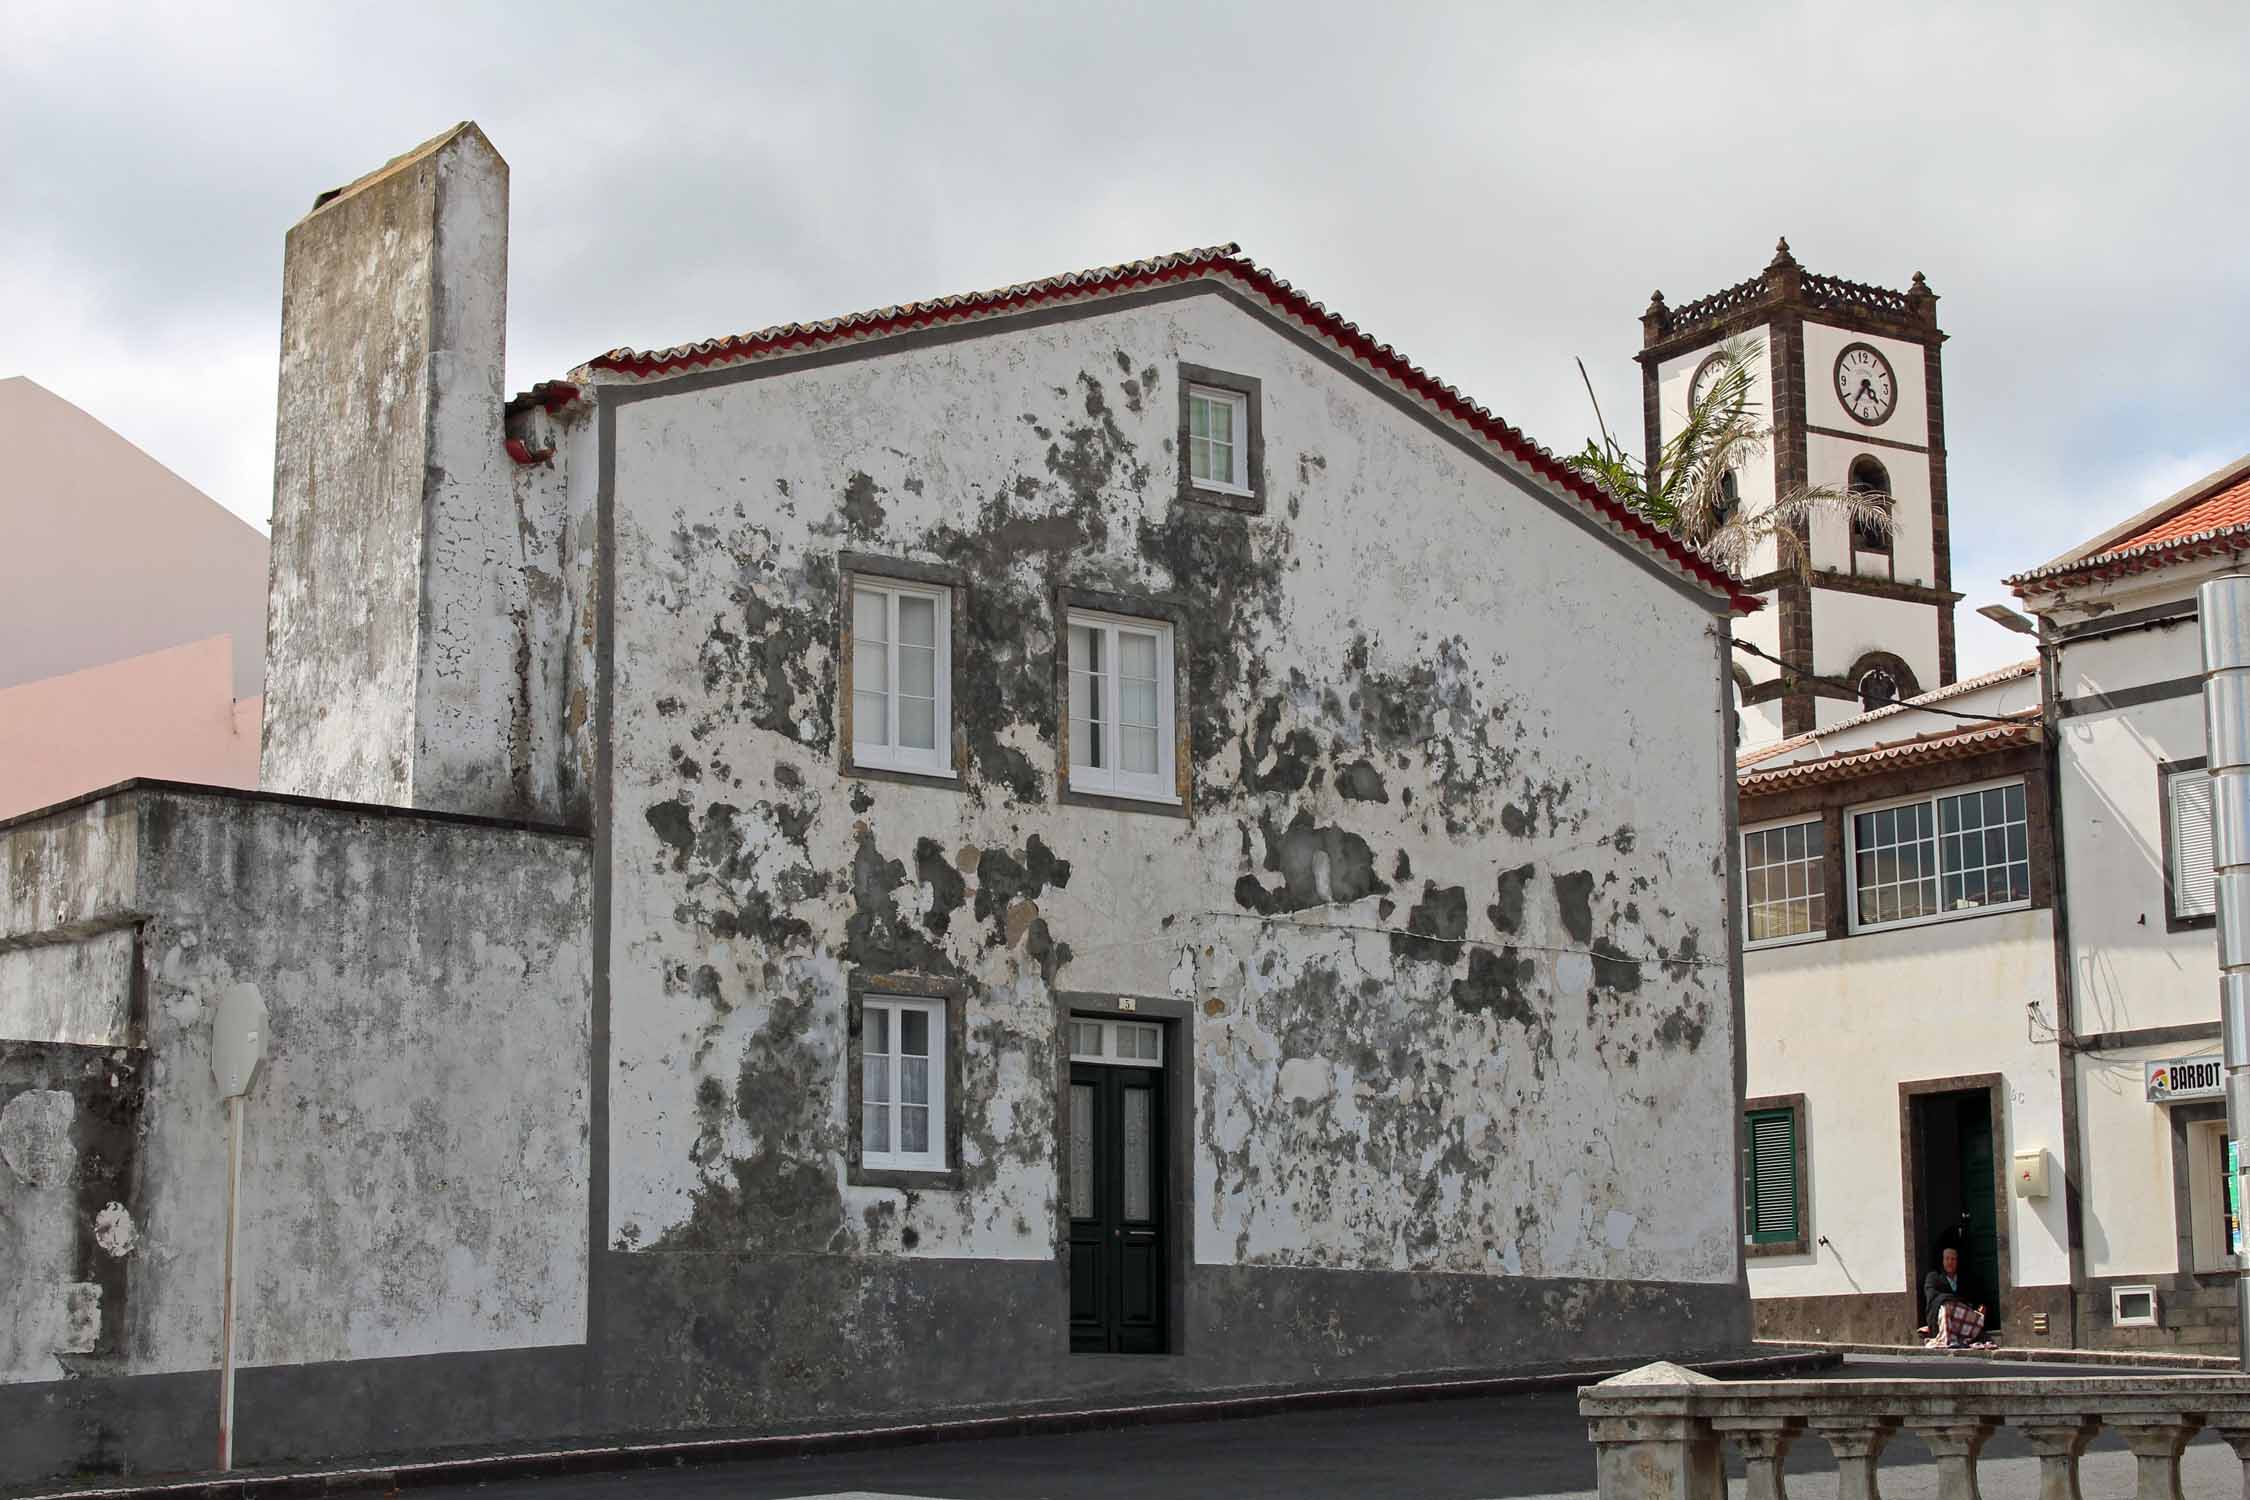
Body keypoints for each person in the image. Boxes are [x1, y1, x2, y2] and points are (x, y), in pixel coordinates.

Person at [1921, 1245, 1989, 1348]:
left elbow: (1973, 1298)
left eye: (1953, 1259)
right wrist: (1952, 1301)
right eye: (1947, 1259)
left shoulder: (1964, 1278)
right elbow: (1932, 1297)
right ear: (1942, 1260)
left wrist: (1979, 1307)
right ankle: (1947, 1338)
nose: (1950, 1262)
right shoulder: (1933, 1277)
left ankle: (1966, 1337)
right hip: (1940, 1318)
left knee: (1977, 1316)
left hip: (1962, 1321)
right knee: (1946, 1305)